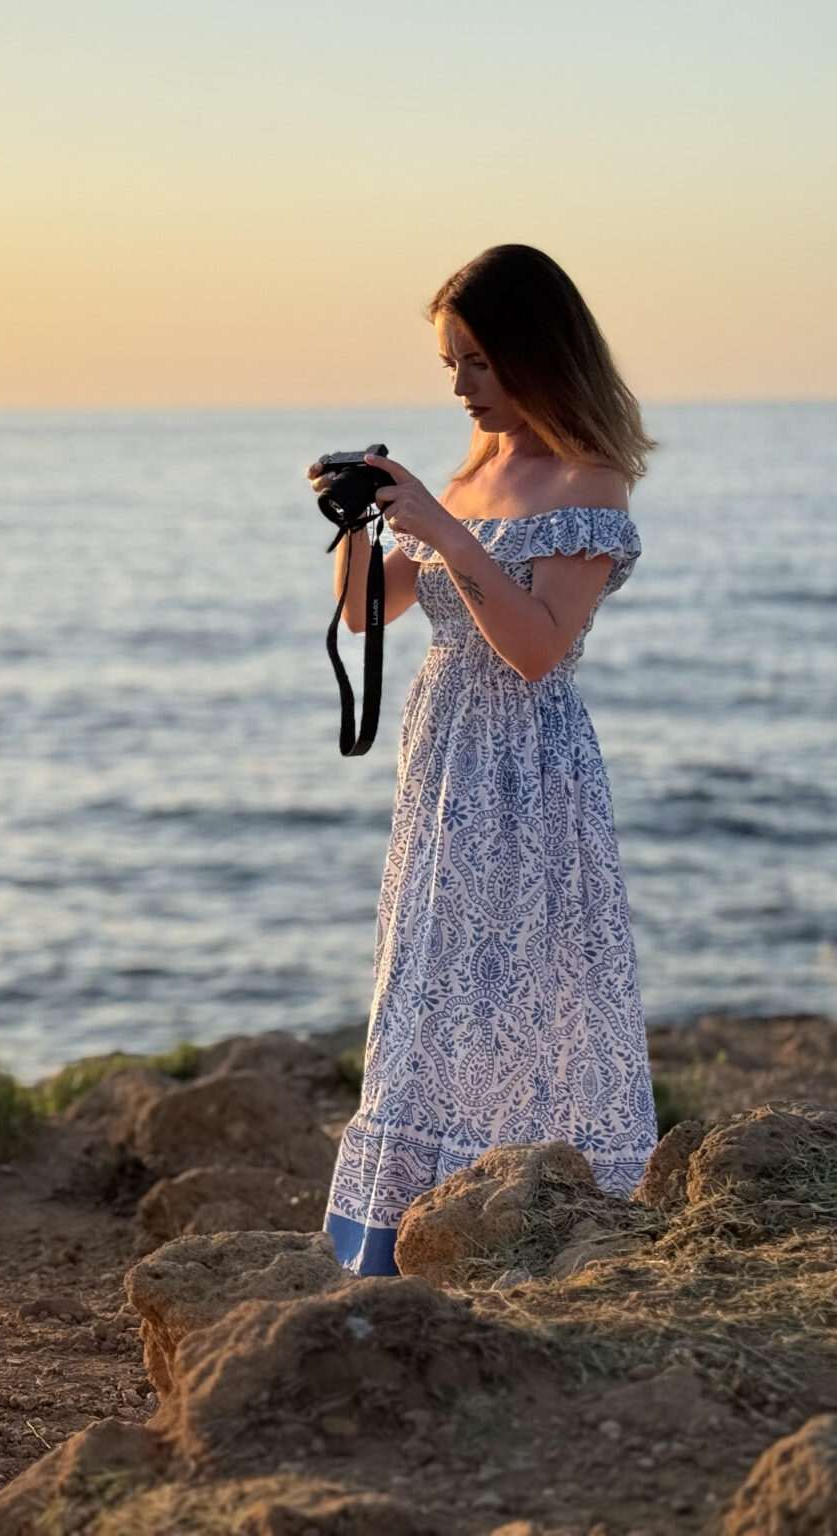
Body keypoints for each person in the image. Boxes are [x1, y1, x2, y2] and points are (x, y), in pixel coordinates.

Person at [308, 244, 657, 1275]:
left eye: (476, 363)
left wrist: (450, 535)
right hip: (443, 756)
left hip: (528, 767)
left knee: (535, 991)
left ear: (534, 354)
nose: (459, 386)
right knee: (428, 985)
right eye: (449, 364)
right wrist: (358, 518)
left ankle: (543, 1235)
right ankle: (387, 1241)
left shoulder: (587, 481)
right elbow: (365, 610)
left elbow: (540, 646)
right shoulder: (470, 470)